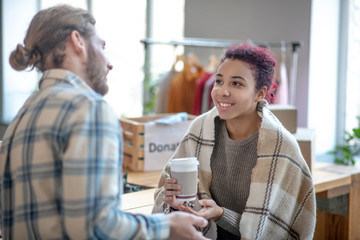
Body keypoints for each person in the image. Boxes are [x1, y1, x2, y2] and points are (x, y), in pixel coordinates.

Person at [0, 4, 210, 240]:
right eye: (102, 46)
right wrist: (167, 226)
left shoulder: (21, 118)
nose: (109, 63)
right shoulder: (89, 109)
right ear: (77, 41)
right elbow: (97, 226)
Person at [152, 42, 316, 239]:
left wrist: (221, 214)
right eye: (219, 81)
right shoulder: (200, 129)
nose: (222, 91)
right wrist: (173, 199)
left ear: (260, 93)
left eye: (236, 83)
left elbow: (274, 230)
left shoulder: (281, 147)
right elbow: (166, 197)